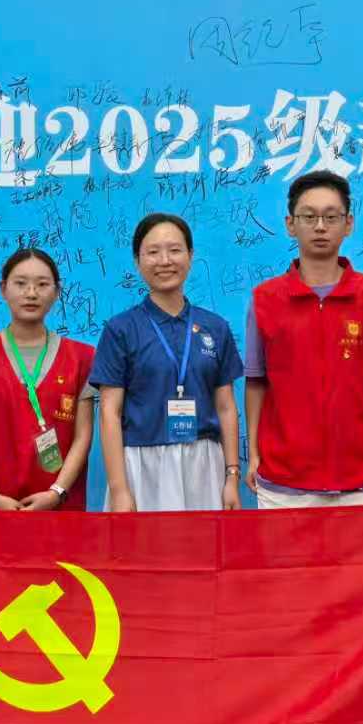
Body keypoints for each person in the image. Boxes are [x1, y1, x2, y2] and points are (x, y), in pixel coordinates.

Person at [244, 171, 363, 508]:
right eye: (309, 217)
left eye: (331, 217)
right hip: (283, 483)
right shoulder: (265, 299)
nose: (320, 227)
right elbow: (256, 381)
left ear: (348, 224)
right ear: (290, 225)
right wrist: (254, 454)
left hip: (359, 478)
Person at [90, 213, 243, 512]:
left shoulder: (215, 327)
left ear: (190, 256)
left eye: (174, 250)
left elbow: (226, 407)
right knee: (143, 543)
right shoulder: (121, 330)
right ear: (137, 261)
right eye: (153, 252)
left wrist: (231, 477)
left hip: (204, 464)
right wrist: (119, 489)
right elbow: (109, 412)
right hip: (141, 465)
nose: (165, 261)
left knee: (201, 542)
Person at [0, 247, 96, 510]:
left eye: (42, 284)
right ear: (3, 289)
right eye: (20, 283)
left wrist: (56, 492)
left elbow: (83, 437)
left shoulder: (82, 359)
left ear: (57, 291)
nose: (31, 293)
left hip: (59, 507)